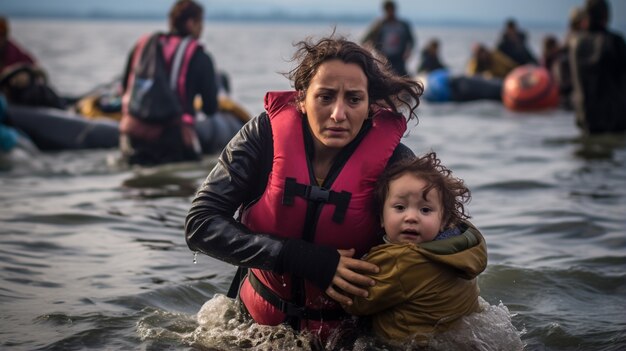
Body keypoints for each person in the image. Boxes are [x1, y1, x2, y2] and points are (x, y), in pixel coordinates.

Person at [185, 35, 423, 344]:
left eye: (353, 99)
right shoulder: (263, 138)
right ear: (301, 98)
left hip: (349, 337)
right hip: (251, 331)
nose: (339, 114)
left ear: (369, 106)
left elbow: (445, 240)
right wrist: (300, 257)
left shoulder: (395, 161)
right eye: (325, 97)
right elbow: (200, 224)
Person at [343, 152, 487, 346]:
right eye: (400, 207)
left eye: (425, 210)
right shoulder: (461, 248)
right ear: (381, 217)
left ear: (444, 220)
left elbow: (354, 301)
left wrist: (325, 264)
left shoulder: (402, 259)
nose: (411, 217)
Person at [119, 0, 220, 165]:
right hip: (171, 139)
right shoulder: (201, 57)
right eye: (200, 23)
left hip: (131, 133)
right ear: (190, 23)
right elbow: (210, 108)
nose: (202, 28)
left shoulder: (142, 46)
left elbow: (125, 88)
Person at [569, 0, 626, 134]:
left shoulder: (575, 43)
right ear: (606, 16)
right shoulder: (614, 42)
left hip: (585, 118)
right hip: (614, 120)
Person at [362, 0, 415, 76]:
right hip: (384, 59)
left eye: (391, 9)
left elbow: (411, 41)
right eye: (388, 10)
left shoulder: (403, 25)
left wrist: (408, 51)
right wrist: (373, 55)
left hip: (399, 59)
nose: (390, 12)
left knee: (403, 78)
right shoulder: (379, 25)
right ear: (385, 10)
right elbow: (365, 40)